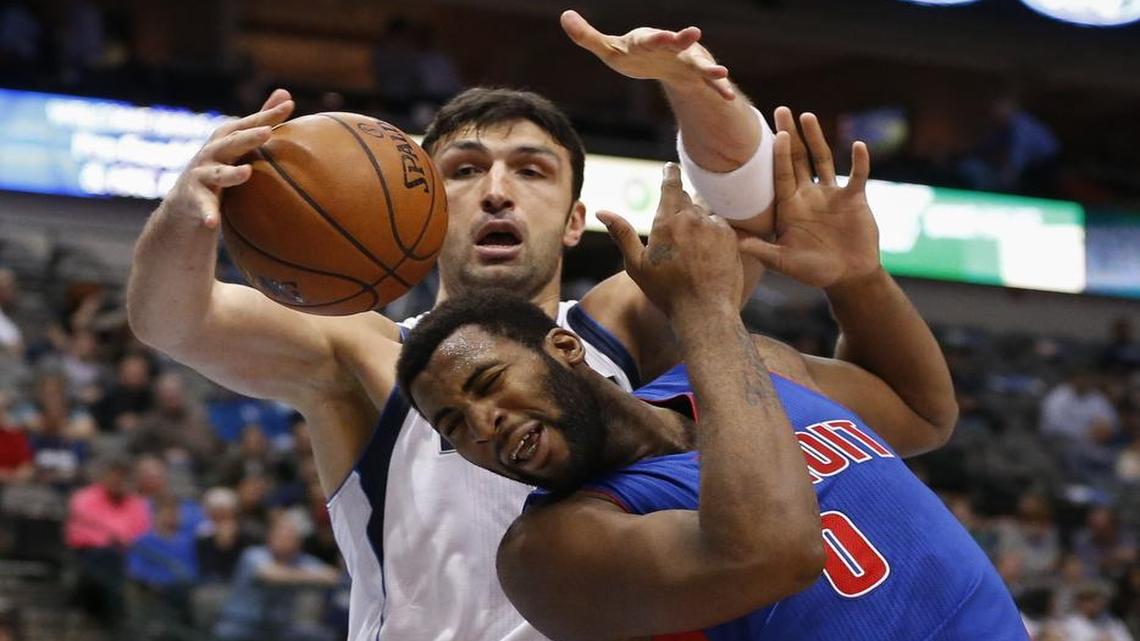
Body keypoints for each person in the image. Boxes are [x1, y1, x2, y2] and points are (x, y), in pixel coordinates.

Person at [127, 11, 954, 641]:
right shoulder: (367, 350)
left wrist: (695, 86)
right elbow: (174, 318)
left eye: (530, 170)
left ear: (571, 221)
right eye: (462, 170)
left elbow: (746, 216)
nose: (495, 191)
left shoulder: (622, 319)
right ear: (415, 209)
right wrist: (188, 206)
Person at [395, 128, 1026, 640]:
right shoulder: (548, 552)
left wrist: (857, 280)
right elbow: (776, 554)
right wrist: (704, 309)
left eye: (488, 382)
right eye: (453, 426)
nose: (481, 424)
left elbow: (921, 413)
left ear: (565, 347)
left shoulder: (757, 368)